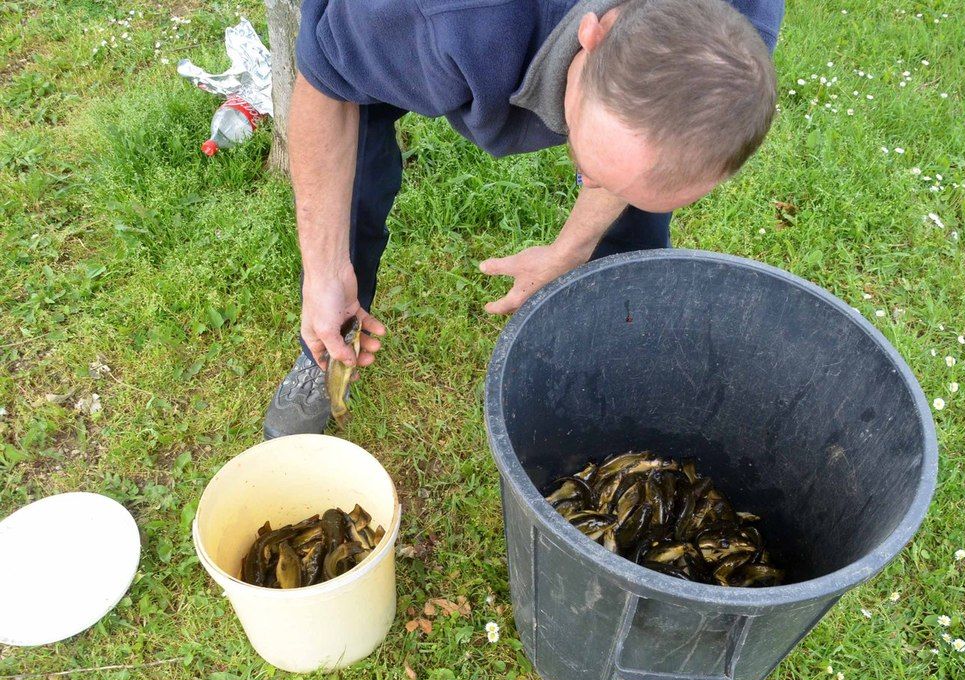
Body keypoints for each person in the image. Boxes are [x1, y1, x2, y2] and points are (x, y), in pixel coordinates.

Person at [264, 0, 783, 439]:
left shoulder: (734, 36)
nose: (589, 182)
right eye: (589, 162)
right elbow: (325, 85)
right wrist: (323, 271)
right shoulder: (438, 18)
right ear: (593, 33)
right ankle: (331, 339)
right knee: (356, 168)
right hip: (410, 31)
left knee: (632, 221)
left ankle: (618, 376)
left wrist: (572, 248)